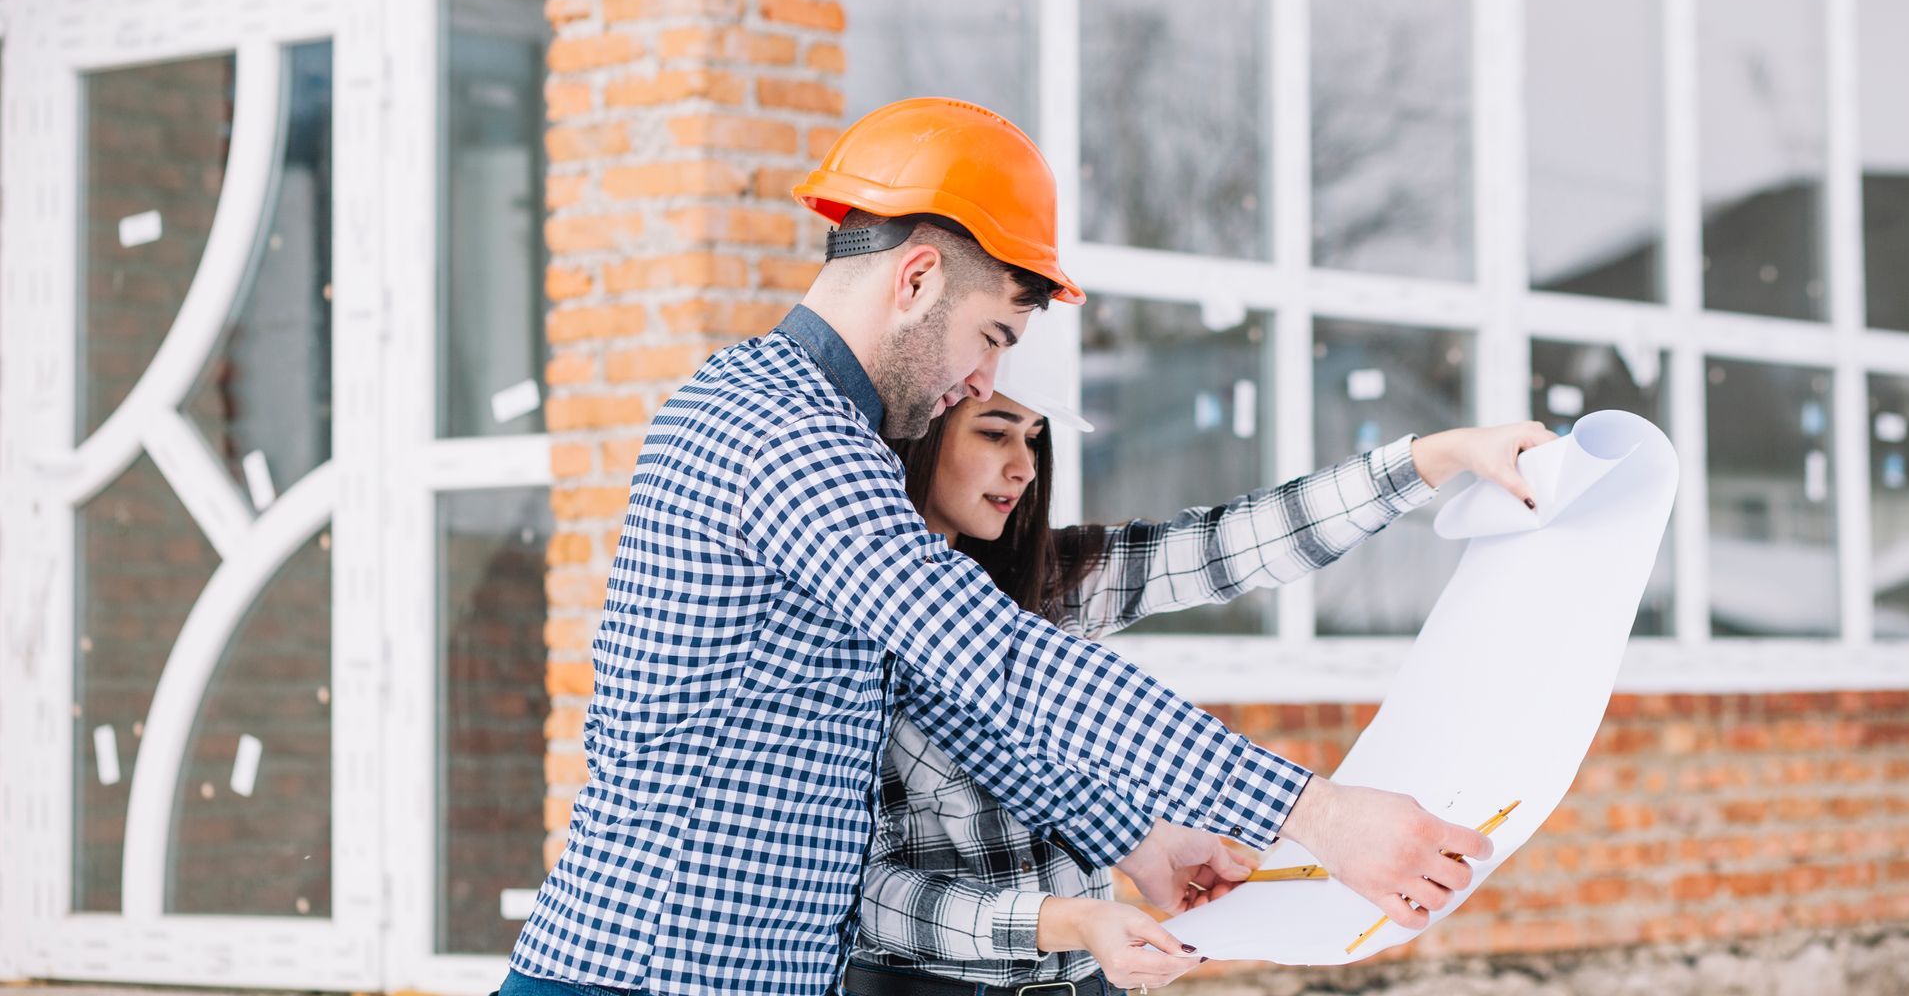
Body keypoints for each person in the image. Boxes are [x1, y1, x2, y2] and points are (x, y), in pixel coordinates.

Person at [501, 99, 1506, 996]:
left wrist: (1140, 842)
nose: (984, 382)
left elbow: (958, 701)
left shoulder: (832, 444)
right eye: (990, 335)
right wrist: (1319, 814)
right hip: (648, 970)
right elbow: (1003, 659)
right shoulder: (782, 433)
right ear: (918, 277)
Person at [850, 317, 1555, 993]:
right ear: (922, 434)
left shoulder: (1047, 585)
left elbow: (1233, 545)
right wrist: (1072, 922)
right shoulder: (847, 631)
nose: (1023, 468)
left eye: (1035, 440)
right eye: (996, 433)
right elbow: (863, 893)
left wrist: (1437, 456)